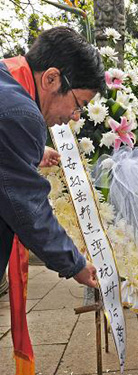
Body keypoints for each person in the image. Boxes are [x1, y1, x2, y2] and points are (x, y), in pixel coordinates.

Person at [0, 26, 106, 288]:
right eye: (78, 103)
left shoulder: (7, 81)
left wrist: (34, 153)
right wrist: (75, 264)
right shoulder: (20, 113)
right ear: (51, 79)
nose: (76, 116)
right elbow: (28, 208)